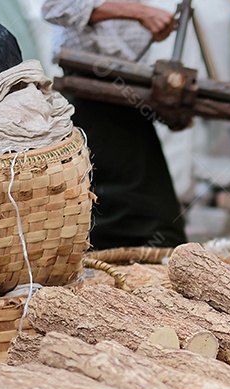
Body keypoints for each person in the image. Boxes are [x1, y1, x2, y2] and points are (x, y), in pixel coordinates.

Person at [43, 1, 187, 249]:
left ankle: (135, 256)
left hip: (125, 89)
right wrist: (142, 13)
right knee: (115, 205)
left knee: (148, 209)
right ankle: (110, 258)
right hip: (92, 90)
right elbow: (56, 6)